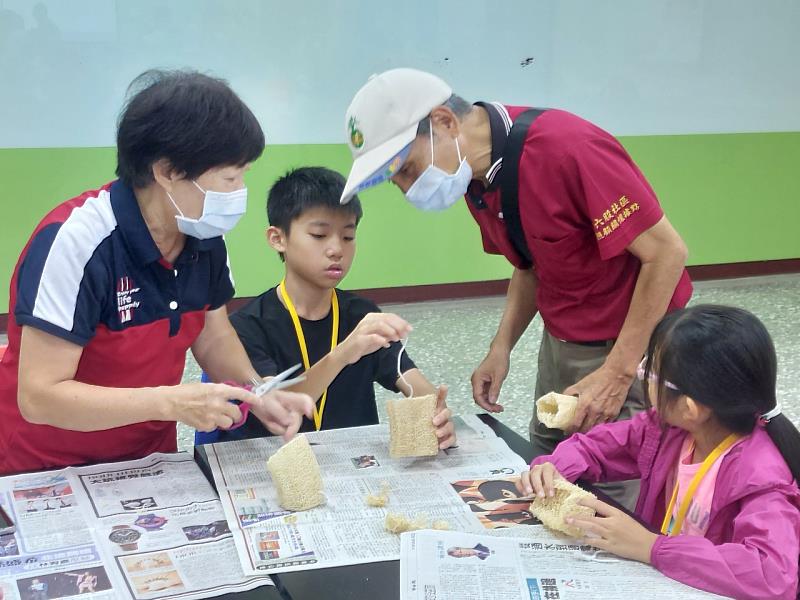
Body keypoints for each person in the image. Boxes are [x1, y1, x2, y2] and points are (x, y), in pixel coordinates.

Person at [339, 68, 692, 507]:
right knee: (545, 469)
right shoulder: (477, 180)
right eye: (396, 180)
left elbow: (667, 254)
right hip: (563, 339)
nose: (408, 189)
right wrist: (501, 347)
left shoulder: (567, 149)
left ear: (446, 122)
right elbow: (531, 266)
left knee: (611, 491)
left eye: (407, 170)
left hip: (635, 346)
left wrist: (619, 372)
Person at [0, 69, 312, 475]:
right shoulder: (77, 244)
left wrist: (259, 389)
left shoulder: (203, 236)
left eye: (243, 176)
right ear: (166, 172)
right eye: (230, 177)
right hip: (49, 466)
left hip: (148, 459)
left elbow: (213, 335)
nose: (238, 193)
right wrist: (170, 401)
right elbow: (39, 397)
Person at [516, 305, 800, 599]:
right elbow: (596, 447)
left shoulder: (761, 476)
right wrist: (555, 466)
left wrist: (651, 547)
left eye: (650, 372)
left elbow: (772, 575)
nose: (644, 377)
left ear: (689, 408)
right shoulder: (668, 429)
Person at [213, 167, 455, 444]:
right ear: (278, 239)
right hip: (277, 462)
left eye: (348, 237)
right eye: (319, 235)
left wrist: (436, 414)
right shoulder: (247, 326)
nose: (337, 249)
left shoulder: (362, 315)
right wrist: (343, 353)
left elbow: (411, 380)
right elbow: (281, 409)